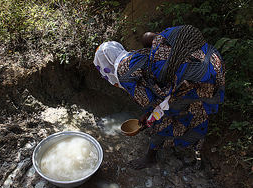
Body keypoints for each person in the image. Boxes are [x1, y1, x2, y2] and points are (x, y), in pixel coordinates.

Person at [93, 25, 225, 169]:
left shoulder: (124, 75)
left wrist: (148, 119)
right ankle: (197, 150)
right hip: (211, 60)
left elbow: (155, 104)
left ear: (105, 65)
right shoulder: (135, 55)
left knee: (163, 120)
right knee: (198, 109)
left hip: (197, 78)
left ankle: (150, 158)